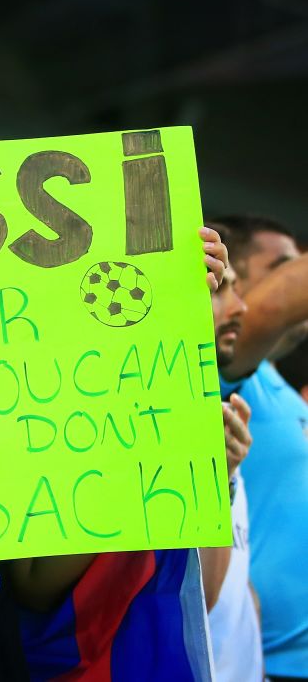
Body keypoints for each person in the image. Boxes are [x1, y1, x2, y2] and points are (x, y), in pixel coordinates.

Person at [211, 214, 308, 681]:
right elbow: (277, 306)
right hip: (265, 661)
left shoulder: (277, 387)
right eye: (281, 266)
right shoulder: (229, 368)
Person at [196, 231, 262, 681]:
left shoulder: (221, 417)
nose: (240, 307)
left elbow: (235, 582)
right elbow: (203, 594)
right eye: (222, 288)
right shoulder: (156, 424)